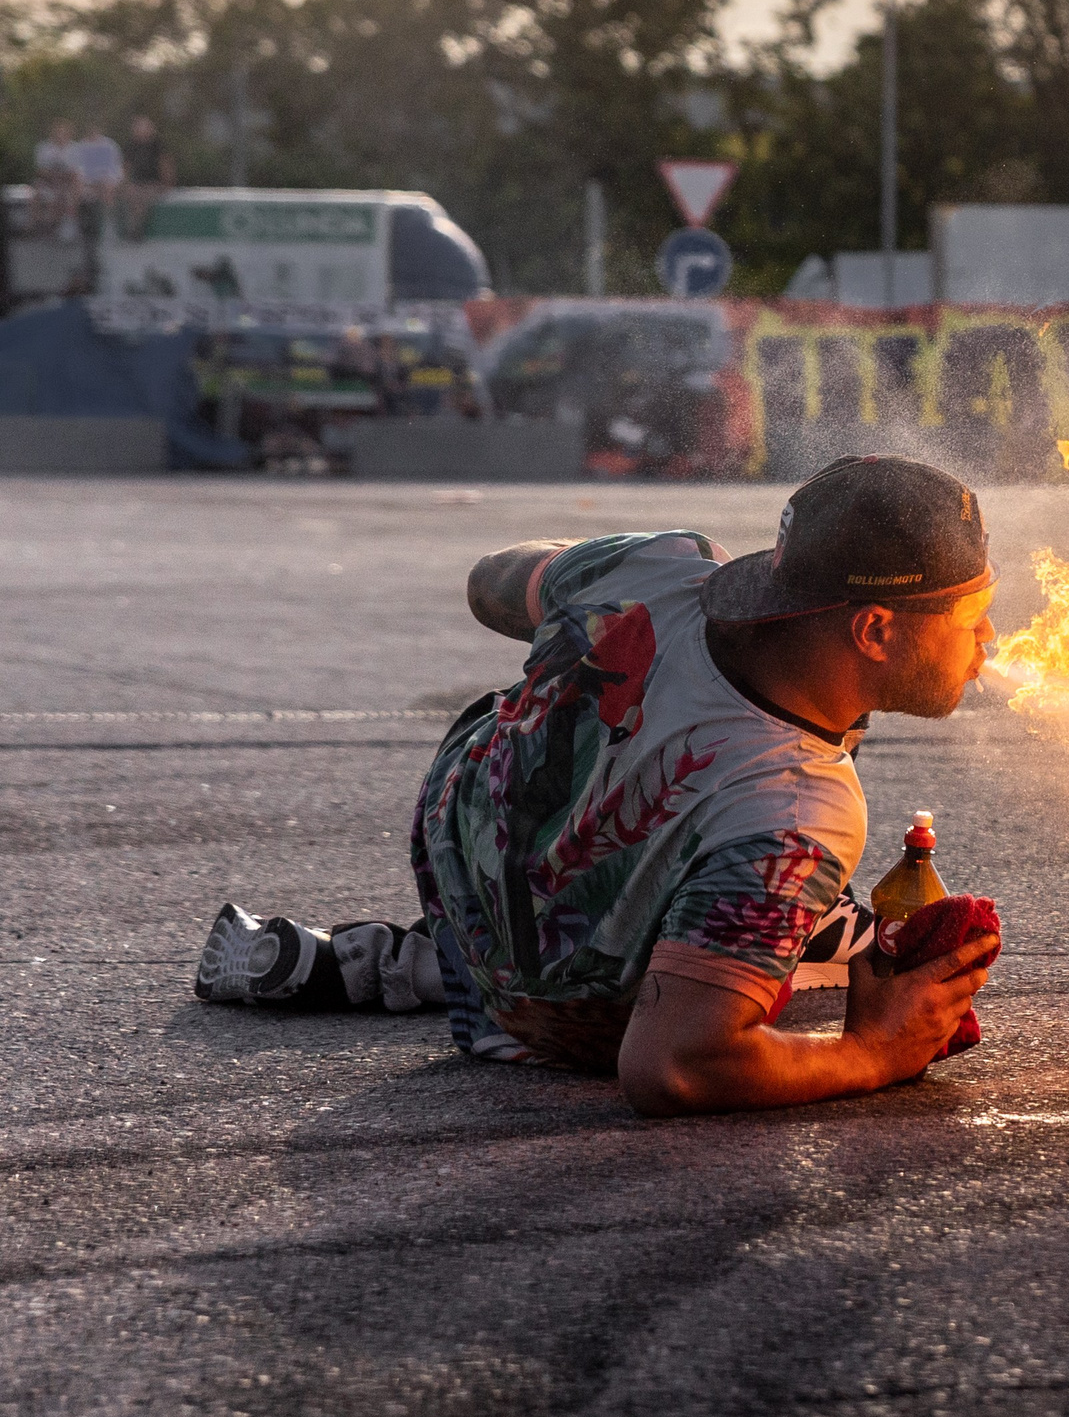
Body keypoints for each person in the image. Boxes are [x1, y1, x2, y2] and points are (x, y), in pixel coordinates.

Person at [190, 455, 1004, 1116]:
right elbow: (670, 1068)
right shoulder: (801, 812)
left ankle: (419, 962)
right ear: (874, 628)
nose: (991, 642)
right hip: (558, 1015)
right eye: (971, 619)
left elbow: (492, 581)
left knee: (557, 734)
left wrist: (591, 601)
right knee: (792, 937)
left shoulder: (657, 564)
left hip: (461, 854)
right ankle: (493, 985)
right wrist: (870, 1054)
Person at [118, 114, 172, 235]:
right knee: (130, 196)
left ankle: (136, 230)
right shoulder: (131, 145)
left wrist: (167, 184)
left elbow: (165, 164)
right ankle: (130, 229)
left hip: (153, 182)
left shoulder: (157, 145)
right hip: (136, 182)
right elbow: (125, 167)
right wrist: (125, 184)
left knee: (144, 198)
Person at [32, 119, 80, 238]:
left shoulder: (75, 148)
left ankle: (69, 220)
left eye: (63, 133)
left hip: (67, 182)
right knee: (36, 191)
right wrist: (52, 176)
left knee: (75, 185)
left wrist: (63, 177)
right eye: (58, 132)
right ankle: (36, 226)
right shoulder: (43, 148)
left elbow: (76, 171)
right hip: (48, 181)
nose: (60, 135)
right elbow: (39, 170)